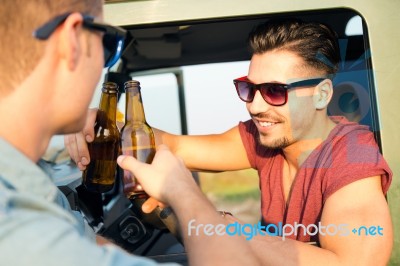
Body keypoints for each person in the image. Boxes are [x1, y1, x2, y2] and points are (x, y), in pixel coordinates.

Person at [66, 18, 394, 265]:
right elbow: (174, 146)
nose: (254, 105)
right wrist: (100, 120)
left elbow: (352, 264)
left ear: (321, 94)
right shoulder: (268, 138)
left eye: (275, 91)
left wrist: (227, 230)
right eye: (249, 88)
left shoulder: (354, 157)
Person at [0, 1, 261, 265]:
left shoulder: (34, 191)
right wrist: (184, 192)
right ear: (72, 42)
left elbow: (83, 241)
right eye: (108, 44)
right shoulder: (26, 235)